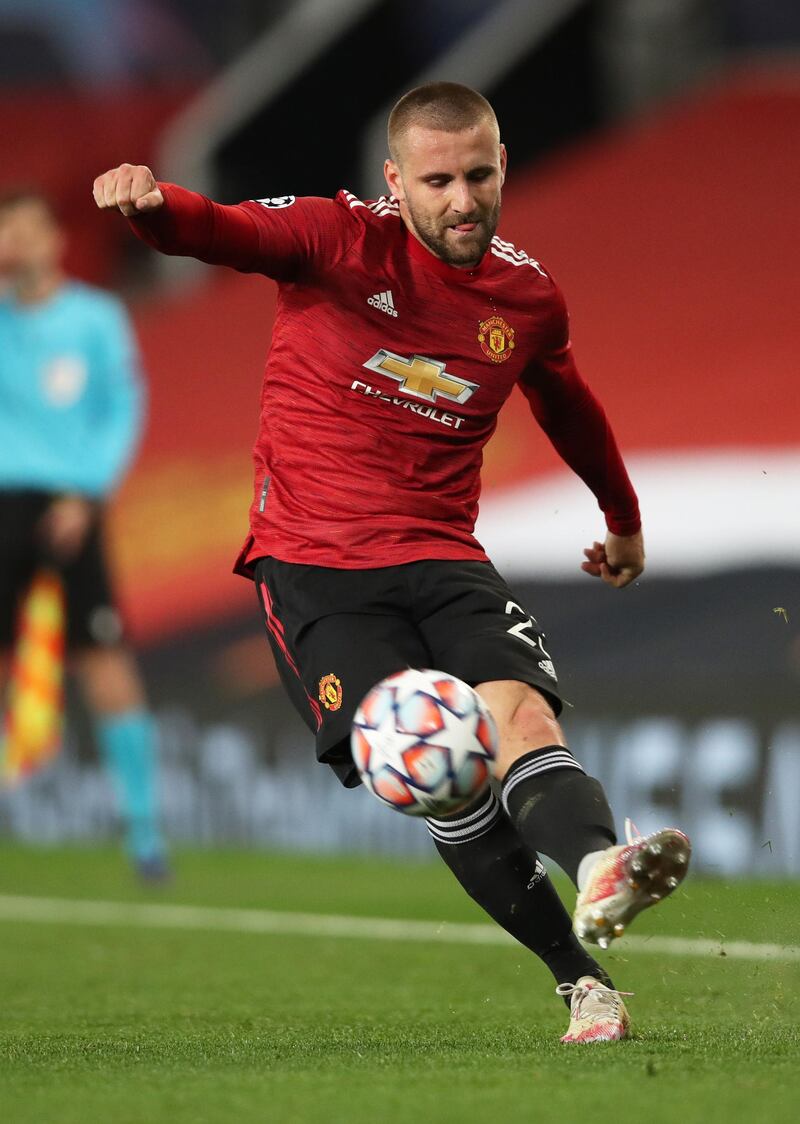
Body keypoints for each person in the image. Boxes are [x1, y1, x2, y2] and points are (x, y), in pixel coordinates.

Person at [92, 82, 690, 1041]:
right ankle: (581, 981)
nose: (464, 201)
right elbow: (222, 232)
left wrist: (621, 517)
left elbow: (566, 400)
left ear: (503, 165)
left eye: (481, 175)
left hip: (443, 551)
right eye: (440, 180)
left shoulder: (525, 296)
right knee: (433, 773)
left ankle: (599, 871)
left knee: (521, 716)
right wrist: (155, 206)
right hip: (316, 565)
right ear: (395, 180)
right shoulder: (336, 239)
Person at [0, 188, 169, 881]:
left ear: (55, 241)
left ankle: (144, 831)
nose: (17, 244)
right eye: (5, 233)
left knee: (102, 658)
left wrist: (89, 491)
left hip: (71, 501)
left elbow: (123, 407)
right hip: (1, 500)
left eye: (27, 231)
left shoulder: (95, 318)